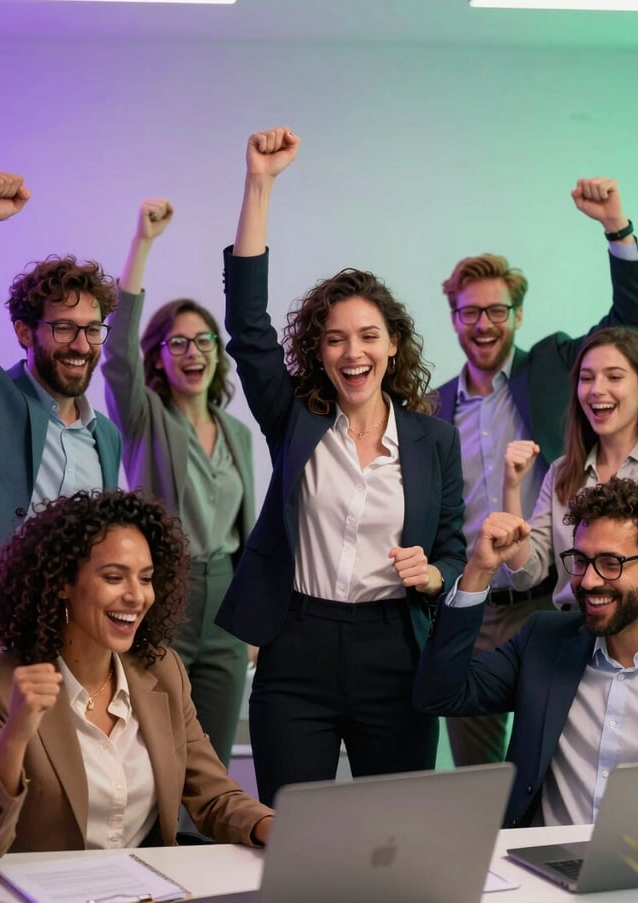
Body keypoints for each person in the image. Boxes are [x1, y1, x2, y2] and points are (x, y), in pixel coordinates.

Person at [216, 127, 466, 805]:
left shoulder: (435, 441)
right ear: (319, 351)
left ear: (393, 345)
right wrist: (259, 184)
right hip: (296, 646)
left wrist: (434, 574)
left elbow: (452, 550)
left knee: (395, 833)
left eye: (367, 336)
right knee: (295, 832)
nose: (352, 352)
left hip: (396, 651)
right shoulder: (294, 418)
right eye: (334, 339)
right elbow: (247, 326)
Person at [434, 178, 638, 766]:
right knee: (478, 773)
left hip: (553, 602)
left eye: (497, 311)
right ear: (454, 318)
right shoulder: (431, 409)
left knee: (558, 761)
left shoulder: (557, 366)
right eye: (471, 311)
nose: (484, 324)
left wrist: (616, 227)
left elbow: (632, 320)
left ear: (518, 314)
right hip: (475, 603)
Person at [0, 488, 273, 870]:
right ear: (62, 583)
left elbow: (215, 796)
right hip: (48, 892)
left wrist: (275, 827)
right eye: (115, 577)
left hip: (149, 888)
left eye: (146, 579)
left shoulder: (163, 672)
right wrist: (15, 737)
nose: (137, 597)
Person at [414, 477, 638, 828]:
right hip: (541, 858)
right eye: (580, 561)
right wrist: (478, 572)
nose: (588, 581)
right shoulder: (545, 640)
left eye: (610, 563)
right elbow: (439, 694)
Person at [0, 170, 121, 692]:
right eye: (63, 327)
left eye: (92, 329)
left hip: (79, 633)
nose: (81, 345)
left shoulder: (106, 436)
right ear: (25, 331)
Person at [102, 199, 254, 766]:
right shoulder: (145, 419)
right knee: (156, 757)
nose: (194, 353)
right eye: (178, 343)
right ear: (158, 357)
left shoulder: (238, 434)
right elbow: (117, 352)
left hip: (227, 607)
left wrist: (253, 620)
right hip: (165, 595)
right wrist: (142, 243)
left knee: (211, 759)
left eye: (204, 341)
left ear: (218, 352)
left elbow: (247, 535)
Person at [503, 308, 638, 611]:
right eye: (586, 378)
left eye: (614, 377)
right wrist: (511, 487)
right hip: (578, 628)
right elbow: (525, 574)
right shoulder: (561, 471)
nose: (597, 389)